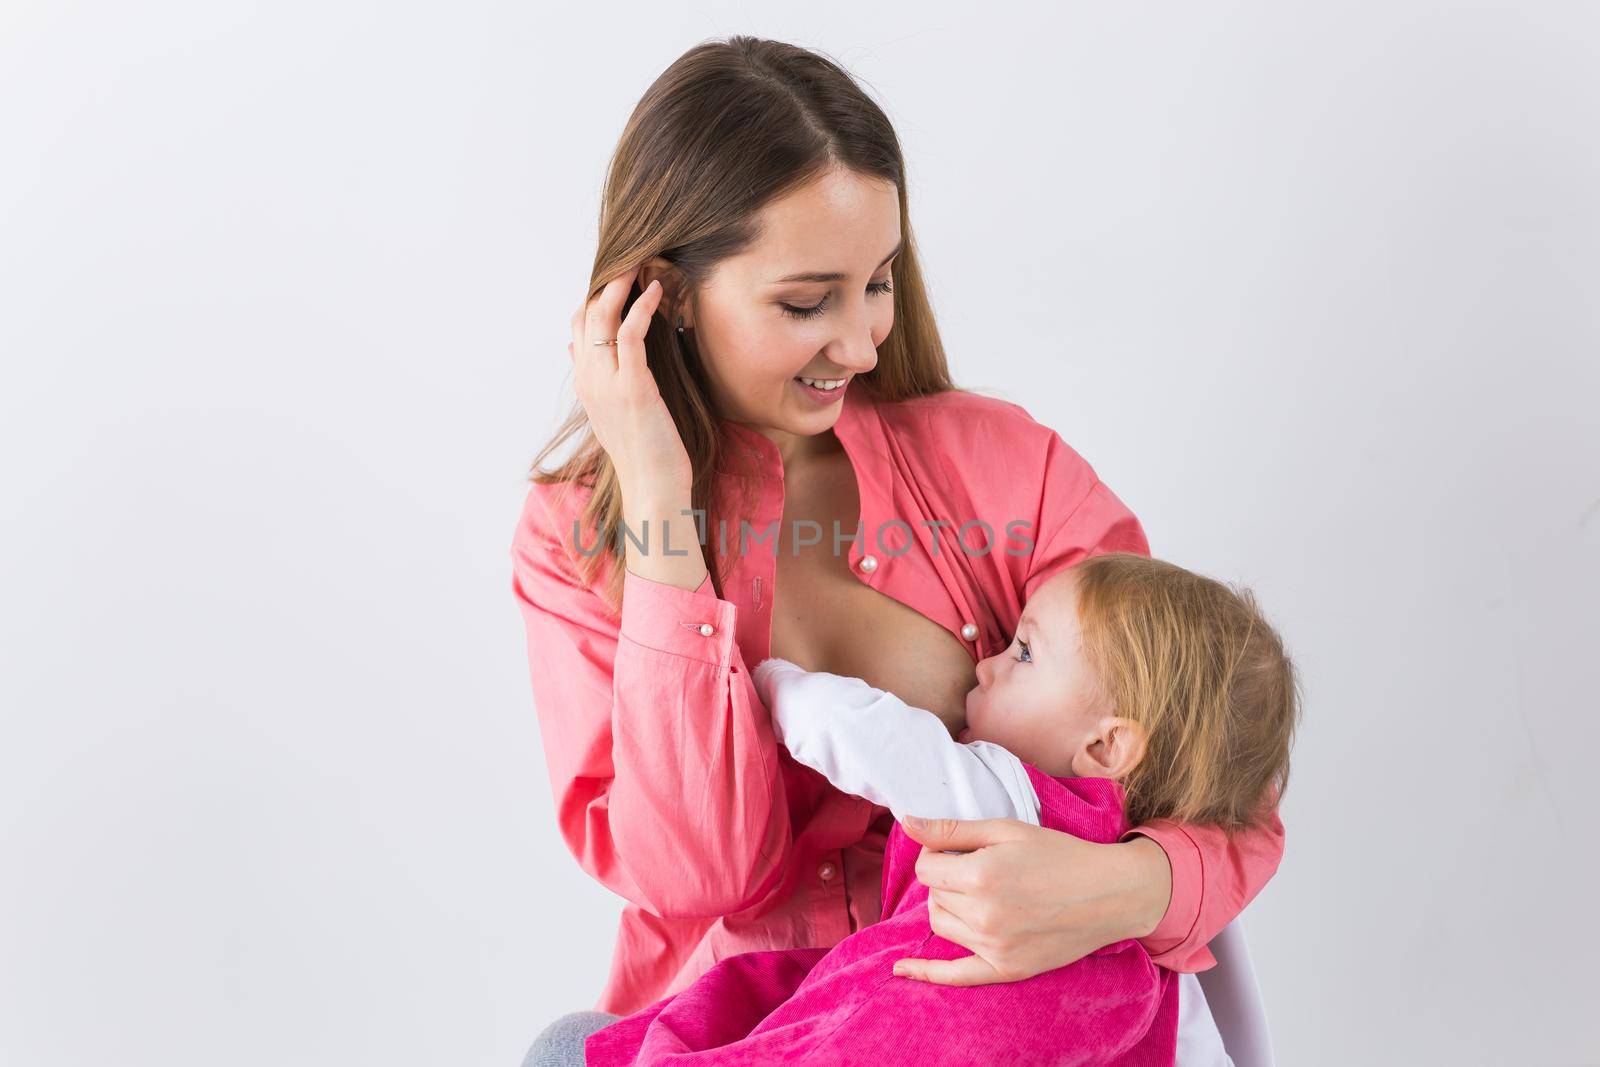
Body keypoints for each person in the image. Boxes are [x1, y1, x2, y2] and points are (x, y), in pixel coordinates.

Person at [512, 35, 1285, 1067]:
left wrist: (1124, 887)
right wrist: (658, 509)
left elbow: (1212, 762)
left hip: (1013, 1022)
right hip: (748, 1029)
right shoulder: (575, 540)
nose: (863, 342)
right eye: (805, 301)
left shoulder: (1010, 470)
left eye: (878, 281)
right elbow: (700, 874)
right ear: (668, 293)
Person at [582, 552, 1300, 1065]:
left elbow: (877, 739)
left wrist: (773, 683)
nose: (986, 660)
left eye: (1023, 652)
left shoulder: (1011, 798)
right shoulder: (1159, 956)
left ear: (1107, 747)